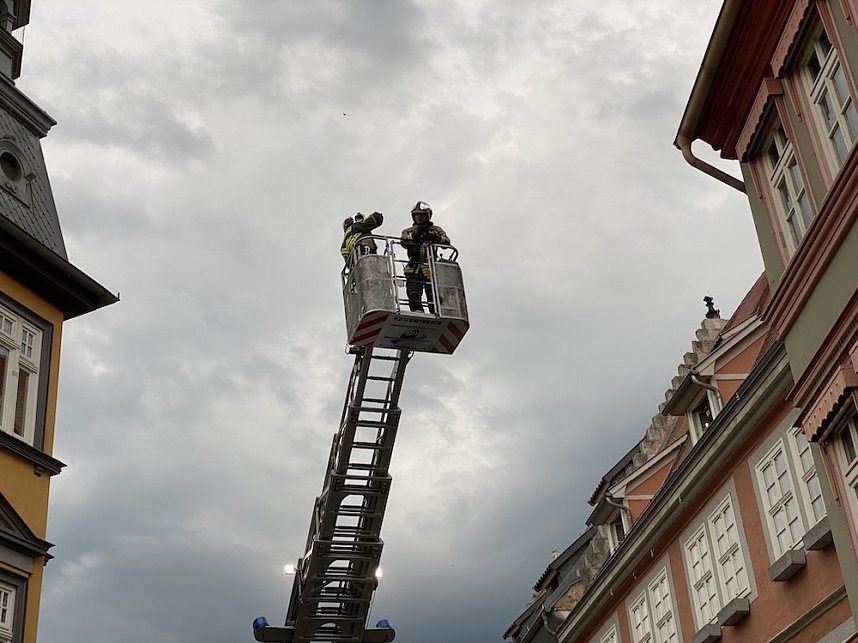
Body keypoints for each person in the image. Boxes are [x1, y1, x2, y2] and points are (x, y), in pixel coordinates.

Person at [400, 201, 449, 313]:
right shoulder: (408, 231)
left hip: (430, 270)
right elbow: (403, 242)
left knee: (433, 296)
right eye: (417, 215)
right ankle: (418, 314)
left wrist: (435, 237)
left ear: (427, 216)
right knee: (413, 294)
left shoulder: (436, 230)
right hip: (413, 268)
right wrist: (415, 235)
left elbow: (447, 243)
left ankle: (435, 315)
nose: (419, 217)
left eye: (421, 215)